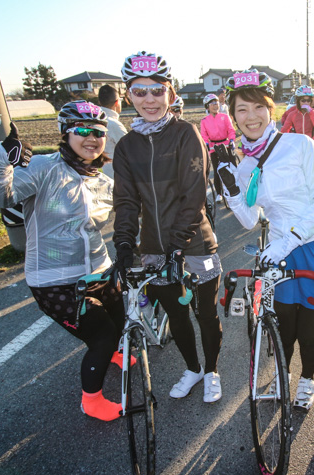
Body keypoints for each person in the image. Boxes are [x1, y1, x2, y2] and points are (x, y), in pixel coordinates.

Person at [0, 102, 126, 421]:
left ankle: (116, 351)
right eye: (83, 131)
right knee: (100, 336)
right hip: (54, 280)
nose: (92, 138)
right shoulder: (43, 168)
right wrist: (1, 156)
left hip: (99, 270)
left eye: (99, 132)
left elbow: (130, 212)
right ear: (65, 133)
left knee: (119, 318)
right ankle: (92, 400)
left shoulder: (101, 180)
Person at [216, 69, 314, 410]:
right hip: (278, 252)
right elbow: (249, 219)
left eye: (258, 107)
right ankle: (283, 378)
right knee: (284, 330)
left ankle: (307, 381)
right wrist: (230, 192)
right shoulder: (244, 165)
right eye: (242, 109)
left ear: (270, 109)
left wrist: (288, 242)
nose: (251, 116)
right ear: (233, 116)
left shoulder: (300, 144)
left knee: (308, 334)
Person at [111, 51, 224, 403]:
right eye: (139, 91)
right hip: (154, 250)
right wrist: (125, 245)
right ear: (128, 95)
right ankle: (193, 369)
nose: (149, 99)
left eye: (157, 91)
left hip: (195, 245)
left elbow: (194, 195)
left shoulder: (185, 133)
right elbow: (126, 201)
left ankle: (213, 370)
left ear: (170, 94)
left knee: (205, 314)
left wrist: (177, 243)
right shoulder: (127, 146)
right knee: (177, 315)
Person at [201, 93, 237, 202]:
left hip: (226, 144)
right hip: (213, 147)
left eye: (216, 102)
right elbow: (204, 135)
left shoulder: (225, 117)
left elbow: (231, 130)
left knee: (232, 168)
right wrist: (206, 143)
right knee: (217, 171)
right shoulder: (204, 121)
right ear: (207, 106)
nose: (215, 105)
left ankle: (236, 190)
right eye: (212, 103)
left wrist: (231, 140)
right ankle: (219, 193)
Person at [97, 84, 128, 179]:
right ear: (117, 102)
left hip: (107, 174)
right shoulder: (114, 125)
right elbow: (131, 150)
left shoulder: (97, 121)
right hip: (120, 178)